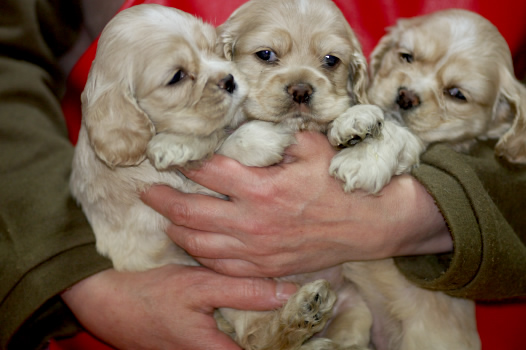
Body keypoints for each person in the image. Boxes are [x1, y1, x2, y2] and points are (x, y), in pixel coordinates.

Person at [1, 1, 525, 350]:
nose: (299, 87)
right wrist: (79, 281)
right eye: (267, 56)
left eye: (331, 62)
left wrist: (421, 214)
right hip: (129, 287)